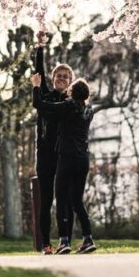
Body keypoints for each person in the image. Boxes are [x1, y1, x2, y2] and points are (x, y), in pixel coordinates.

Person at [31, 72, 97, 254]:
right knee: (77, 201)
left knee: (61, 199)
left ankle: (64, 241)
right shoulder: (89, 111)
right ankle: (88, 239)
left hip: (67, 158)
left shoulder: (67, 106)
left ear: (72, 92)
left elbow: (40, 104)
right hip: (83, 159)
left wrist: (36, 86)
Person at [32, 37, 74, 255]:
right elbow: (37, 71)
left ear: (70, 81)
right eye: (59, 75)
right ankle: (46, 244)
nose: (62, 78)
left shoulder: (71, 102)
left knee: (66, 199)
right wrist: (40, 47)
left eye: (66, 77)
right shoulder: (45, 95)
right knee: (46, 200)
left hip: (65, 156)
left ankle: (66, 241)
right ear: (53, 77)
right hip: (45, 156)